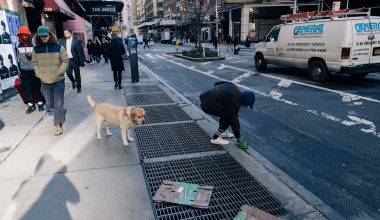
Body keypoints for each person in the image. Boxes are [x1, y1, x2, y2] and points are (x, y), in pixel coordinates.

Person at [32, 25, 69, 135]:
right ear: (38, 37)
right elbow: (34, 63)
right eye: (41, 36)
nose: (44, 38)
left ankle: (58, 125)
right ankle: (61, 111)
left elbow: (65, 61)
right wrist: (38, 74)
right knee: (48, 102)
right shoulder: (36, 49)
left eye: (45, 35)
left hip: (58, 81)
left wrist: (59, 72)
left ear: (49, 35)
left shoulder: (58, 47)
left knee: (58, 103)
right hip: (44, 81)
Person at [199, 81, 255, 149]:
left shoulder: (234, 87)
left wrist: (216, 94)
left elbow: (218, 83)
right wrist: (238, 138)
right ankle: (215, 138)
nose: (245, 107)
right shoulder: (235, 103)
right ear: (244, 103)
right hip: (207, 106)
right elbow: (234, 122)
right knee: (228, 119)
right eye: (246, 105)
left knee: (226, 113)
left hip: (204, 96)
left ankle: (222, 133)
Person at [16, 25, 45, 114]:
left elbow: (39, 56)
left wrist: (32, 55)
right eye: (22, 35)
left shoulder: (34, 43)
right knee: (26, 88)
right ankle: (30, 106)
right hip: (24, 70)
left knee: (37, 87)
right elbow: (17, 57)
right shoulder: (17, 44)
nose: (24, 37)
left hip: (34, 69)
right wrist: (18, 69)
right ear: (20, 35)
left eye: (26, 35)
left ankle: (40, 104)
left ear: (28, 35)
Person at [60, 28, 85, 93]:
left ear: (70, 33)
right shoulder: (62, 41)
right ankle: (73, 81)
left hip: (75, 60)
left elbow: (80, 51)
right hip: (66, 61)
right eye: (64, 33)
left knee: (77, 75)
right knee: (68, 73)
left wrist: (82, 61)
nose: (65, 34)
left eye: (66, 33)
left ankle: (79, 87)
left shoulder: (76, 41)